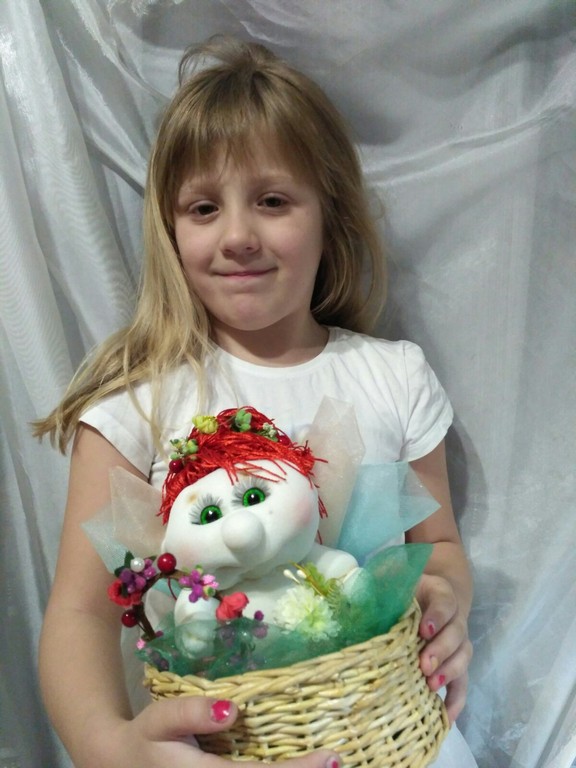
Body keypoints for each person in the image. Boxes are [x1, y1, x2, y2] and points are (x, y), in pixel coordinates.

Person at [35, 36, 475, 768]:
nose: (238, 236)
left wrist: (446, 603)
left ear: (330, 215)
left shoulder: (393, 376)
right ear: (170, 230)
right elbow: (80, 612)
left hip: (404, 739)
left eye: (272, 201)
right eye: (204, 207)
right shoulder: (136, 404)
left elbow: (442, 548)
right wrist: (110, 748)